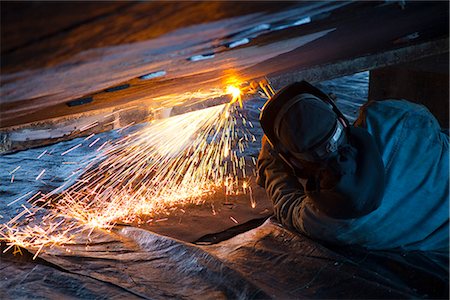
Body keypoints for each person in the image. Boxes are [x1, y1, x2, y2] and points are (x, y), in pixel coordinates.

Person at [257, 81, 449, 253]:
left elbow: (287, 205)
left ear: (295, 162)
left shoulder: (326, 219)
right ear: (340, 120)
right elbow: (436, 132)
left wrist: (271, 163)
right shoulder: (392, 117)